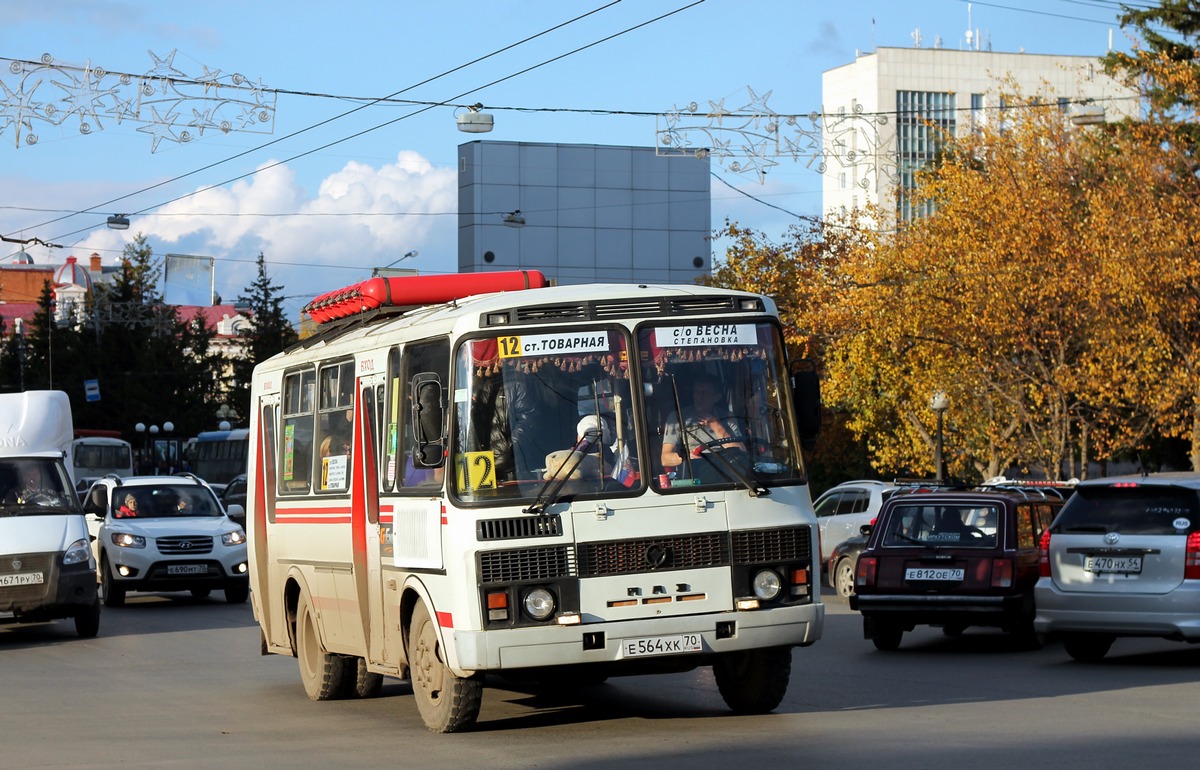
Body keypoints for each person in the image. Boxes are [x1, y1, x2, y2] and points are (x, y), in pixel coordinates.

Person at [660, 373, 746, 474]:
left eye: (704, 393)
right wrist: (688, 456)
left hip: (726, 469)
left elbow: (741, 452)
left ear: (717, 397)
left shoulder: (728, 417)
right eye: (696, 392)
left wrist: (716, 426)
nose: (699, 397)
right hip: (695, 472)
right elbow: (665, 459)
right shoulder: (678, 417)